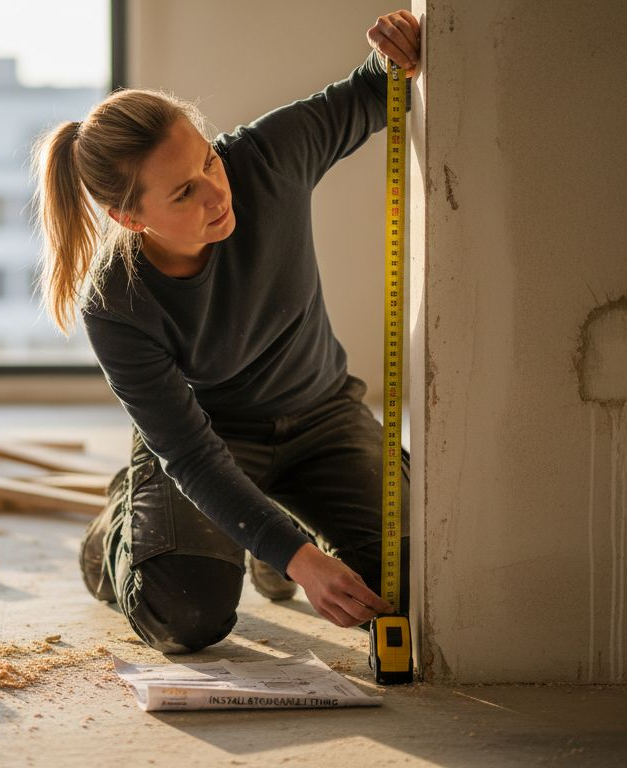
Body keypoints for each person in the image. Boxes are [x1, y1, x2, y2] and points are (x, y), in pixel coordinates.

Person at [32, 11, 421, 653]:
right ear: (128, 217)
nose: (218, 192)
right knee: (183, 613)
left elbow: (378, 89)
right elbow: (188, 454)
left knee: (417, 582)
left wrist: (397, 44)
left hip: (323, 418)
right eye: (184, 193)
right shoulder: (114, 301)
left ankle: (277, 528)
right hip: (210, 444)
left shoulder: (269, 158)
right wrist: (302, 561)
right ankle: (116, 533)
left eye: (209, 160)